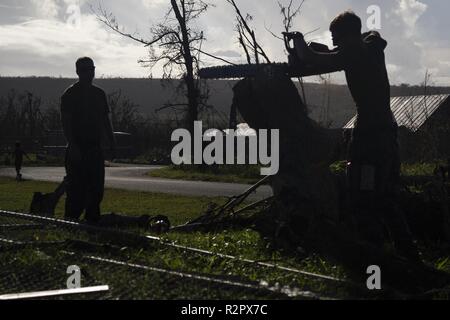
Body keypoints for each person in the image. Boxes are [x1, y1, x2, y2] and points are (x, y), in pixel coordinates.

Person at [290, 11, 420, 261]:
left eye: (337, 40)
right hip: (386, 134)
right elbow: (340, 53)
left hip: (370, 137)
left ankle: (373, 259)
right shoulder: (369, 47)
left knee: (363, 196)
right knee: (387, 198)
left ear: (349, 36)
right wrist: (328, 51)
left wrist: (298, 42)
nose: (336, 46)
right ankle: (409, 257)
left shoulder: (355, 52)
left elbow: (313, 59)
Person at [60, 57, 116, 223]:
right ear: (77, 72)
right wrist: (73, 146)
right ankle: (70, 222)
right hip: (77, 148)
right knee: (76, 191)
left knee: (96, 190)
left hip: (95, 148)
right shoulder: (69, 94)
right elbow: (66, 122)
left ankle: (92, 223)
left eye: (91, 69)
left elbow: (106, 120)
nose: (88, 73)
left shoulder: (99, 94)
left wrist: (112, 142)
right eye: (84, 70)